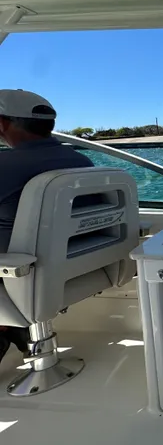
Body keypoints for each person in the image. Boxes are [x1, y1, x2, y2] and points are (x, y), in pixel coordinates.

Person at [0, 89, 93, 361]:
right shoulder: (80, 161)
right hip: (75, 266)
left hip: (20, 270)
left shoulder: (5, 165)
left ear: (3, 124)